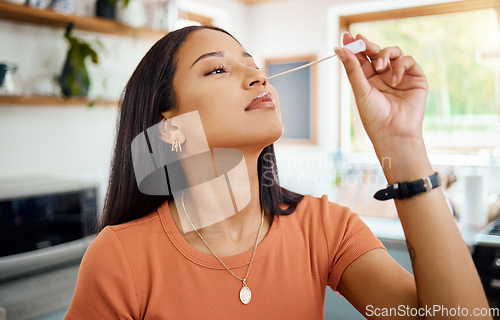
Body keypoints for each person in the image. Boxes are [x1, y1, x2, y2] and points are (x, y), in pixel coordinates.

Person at [64, 25, 491, 319]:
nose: (257, 76)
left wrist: (403, 144)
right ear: (172, 129)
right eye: (217, 69)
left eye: (253, 63)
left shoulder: (325, 228)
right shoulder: (119, 259)